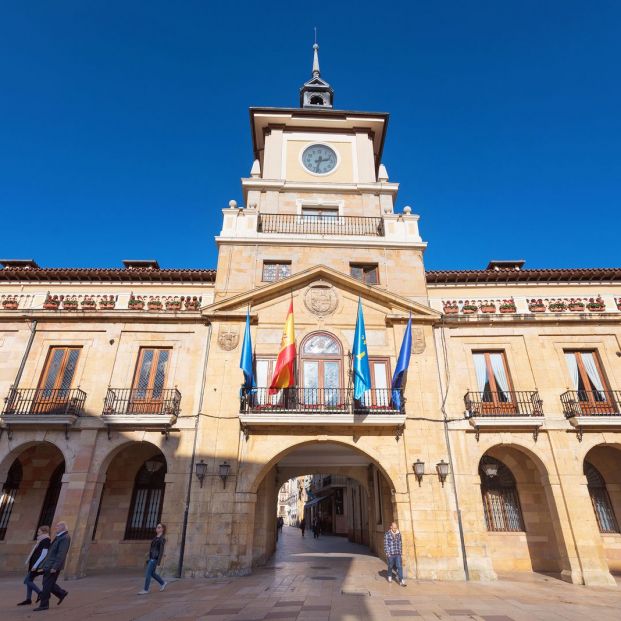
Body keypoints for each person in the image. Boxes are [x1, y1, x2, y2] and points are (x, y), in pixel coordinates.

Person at [33, 521, 71, 611]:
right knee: (48, 583)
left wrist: (55, 566)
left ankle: (44, 604)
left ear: (63, 527)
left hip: (52, 565)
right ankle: (61, 593)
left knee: (46, 585)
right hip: (50, 564)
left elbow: (61, 553)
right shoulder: (60, 537)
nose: (56, 528)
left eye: (58, 526)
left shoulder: (65, 537)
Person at [17, 525, 51, 606]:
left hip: (37, 565)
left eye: (39, 531)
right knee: (30, 580)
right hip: (33, 564)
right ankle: (28, 599)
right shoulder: (40, 540)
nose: (37, 533)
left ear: (43, 532)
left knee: (27, 580)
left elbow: (44, 554)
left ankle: (40, 593)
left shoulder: (46, 540)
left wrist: (35, 565)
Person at [138, 523, 167, 594]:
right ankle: (163, 583)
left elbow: (161, 550)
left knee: (148, 573)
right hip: (151, 557)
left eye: (159, 527)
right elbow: (152, 548)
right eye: (157, 527)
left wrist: (158, 561)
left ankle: (145, 589)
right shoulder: (155, 537)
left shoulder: (162, 539)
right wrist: (149, 554)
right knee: (152, 573)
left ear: (162, 529)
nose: (157, 528)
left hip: (155, 558)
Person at [384, 521, 406, 587]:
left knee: (399, 566)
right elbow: (386, 544)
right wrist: (387, 553)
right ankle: (389, 575)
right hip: (391, 553)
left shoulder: (399, 534)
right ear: (391, 527)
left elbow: (400, 543)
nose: (395, 529)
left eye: (396, 528)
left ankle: (401, 580)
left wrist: (400, 552)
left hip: (397, 553)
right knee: (390, 566)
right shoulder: (387, 534)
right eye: (394, 528)